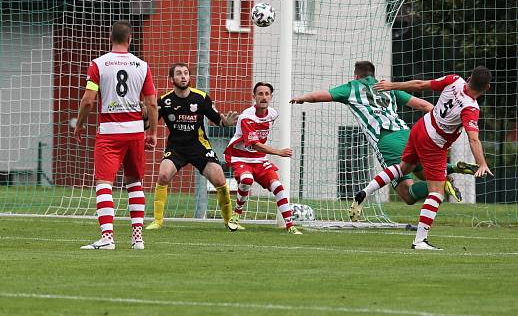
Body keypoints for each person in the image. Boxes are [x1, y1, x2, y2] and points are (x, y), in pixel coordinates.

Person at [289, 61, 478, 221]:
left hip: (386, 140)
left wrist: (301, 98)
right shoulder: (386, 87)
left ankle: (443, 181)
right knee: (422, 173)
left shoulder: (351, 88)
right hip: (408, 133)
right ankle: (452, 168)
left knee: (407, 194)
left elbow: (320, 96)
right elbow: (422, 105)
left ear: (356, 76)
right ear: (373, 74)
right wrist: (440, 124)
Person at [354, 66, 493, 250]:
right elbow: (473, 138)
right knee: (437, 192)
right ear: (487, 88)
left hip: (421, 127)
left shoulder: (454, 79)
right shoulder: (471, 108)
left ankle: (366, 191)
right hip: (434, 143)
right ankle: (419, 241)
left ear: (469, 78)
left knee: (404, 169)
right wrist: (482, 163)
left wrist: (392, 85)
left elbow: (420, 85)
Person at [74, 21, 158, 250]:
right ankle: (138, 237)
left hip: (110, 133)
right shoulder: (142, 65)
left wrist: (79, 125)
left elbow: (88, 100)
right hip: (135, 132)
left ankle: (108, 237)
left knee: (104, 184)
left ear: (110, 38)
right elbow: (151, 102)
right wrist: (152, 132)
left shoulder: (99, 64)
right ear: (130, 39)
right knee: (134, 183)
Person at [146, 63, 240, 230]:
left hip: (199, 147)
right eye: (179, 74)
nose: (183, 76)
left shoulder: (201, 98)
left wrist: (225, 122)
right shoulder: (165, 101)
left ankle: (229, 222)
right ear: (171, 79)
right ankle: (157, 221)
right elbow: (148, 124)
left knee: (219, 179)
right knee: (163, 176)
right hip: (176, 147)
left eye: (186, 73)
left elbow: (218, 119)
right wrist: (145, 115)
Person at [225, 82, 302, 234]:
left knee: (278, 187)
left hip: (259, 159)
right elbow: (254, 144)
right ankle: (236, 214)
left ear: (271, 97)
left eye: (267, 94)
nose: (264, 97)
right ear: (254, 97)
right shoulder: (247, 117)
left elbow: (259, 146)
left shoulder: (273, 114)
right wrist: (278, 152)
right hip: (240, 158)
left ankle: (290, 226)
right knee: (246, 180)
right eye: (260, 94)